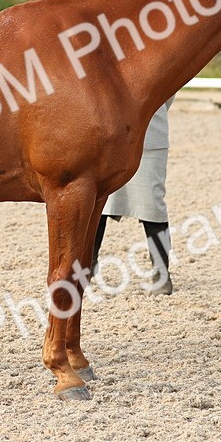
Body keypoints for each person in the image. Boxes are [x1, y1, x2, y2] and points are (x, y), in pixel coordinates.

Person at [90, 98, 175, 295]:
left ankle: (161, 272)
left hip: (151, 133)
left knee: (153, 207)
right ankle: (88, 266)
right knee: (98, 202)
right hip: (110, 134)